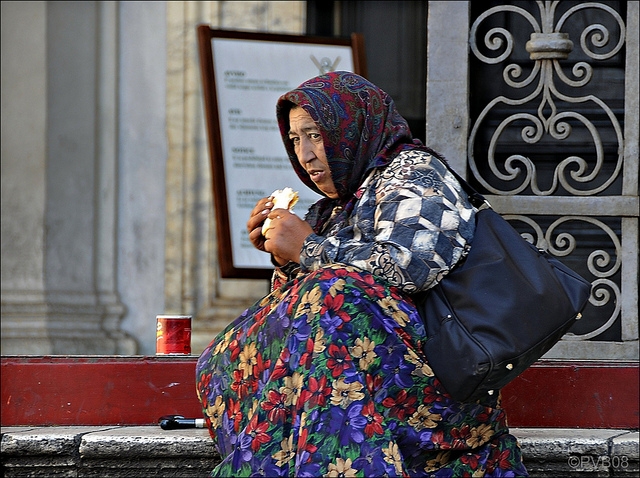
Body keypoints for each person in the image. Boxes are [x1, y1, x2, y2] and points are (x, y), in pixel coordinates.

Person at [196, 71, 528, 477]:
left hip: (438, 380)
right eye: (295, 139)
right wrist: (285, 260)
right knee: (223, 353)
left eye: (315, 134)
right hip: (358, 376)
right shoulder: (333, 207)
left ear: (353, 125)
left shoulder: (415, 173)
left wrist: (307, 247)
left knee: (332, 293)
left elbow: (411, 267)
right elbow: (302, 323)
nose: (306, 155)